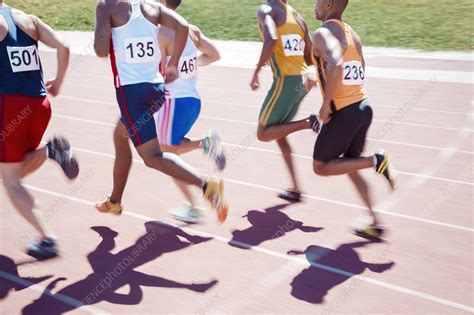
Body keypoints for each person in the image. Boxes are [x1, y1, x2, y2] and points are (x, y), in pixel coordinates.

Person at [93, 0, 228, 222]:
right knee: (120, 135)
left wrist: (106, 26)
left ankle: (206, 185)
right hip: (156, 90)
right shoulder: (149, 7)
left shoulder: (107, 5)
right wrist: (173, 64)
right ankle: (115, 201)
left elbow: (99, 50)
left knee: (153, 156)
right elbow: (183, 25)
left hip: (132, 93)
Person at [311, 0, 399, 238]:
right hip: (363, 106)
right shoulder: (353, 35)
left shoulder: (322, 33)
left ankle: (376, 160)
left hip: (344, 111)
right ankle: (375, 222)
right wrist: (316, 81)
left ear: (328, 3)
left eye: (317, 0)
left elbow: (337, 65)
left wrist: (326, 104)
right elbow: (356, 67)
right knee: (350, 165)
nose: (314, 4)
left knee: (320, 167)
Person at [0, 1, 79, 259]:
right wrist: (58, 81)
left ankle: (47, 238)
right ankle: (51, 151)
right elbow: (64, 47)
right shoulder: (28, 19)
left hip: (10, 106)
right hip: (39, 104)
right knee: (14, 170)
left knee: (11, 180)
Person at [156, 0, 225, 223]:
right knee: (169, 153)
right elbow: (214, 55)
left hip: (173, 101)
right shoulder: (191, 30)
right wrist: (191, 64)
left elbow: (153, 69)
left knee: (163, 156)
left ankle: (197, 202)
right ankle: (205, 144)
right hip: (192, 100)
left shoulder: (161, 32)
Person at [251, 0, 320, 202]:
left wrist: (256, 71)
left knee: (263, 133)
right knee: (280, 132)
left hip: (285, 82)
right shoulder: (297, 16)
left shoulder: (266, 10)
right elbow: (310, 53)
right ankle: (296, 188)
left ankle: (309, 122)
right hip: (301, 82)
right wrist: (314, 75)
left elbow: (271, 38)